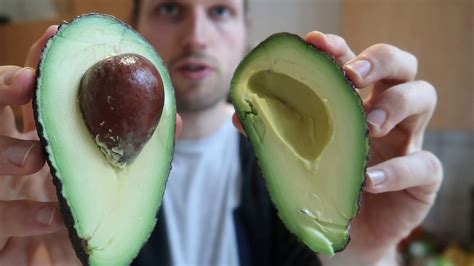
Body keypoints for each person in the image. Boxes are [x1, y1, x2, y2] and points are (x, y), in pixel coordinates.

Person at [0, 0, 443, 265]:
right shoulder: (40, 188)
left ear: (245, 30)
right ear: (134, 29)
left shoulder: (282, 183)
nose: (196, 35)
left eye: (220, 10)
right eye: (171, 7)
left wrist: (367, 256)